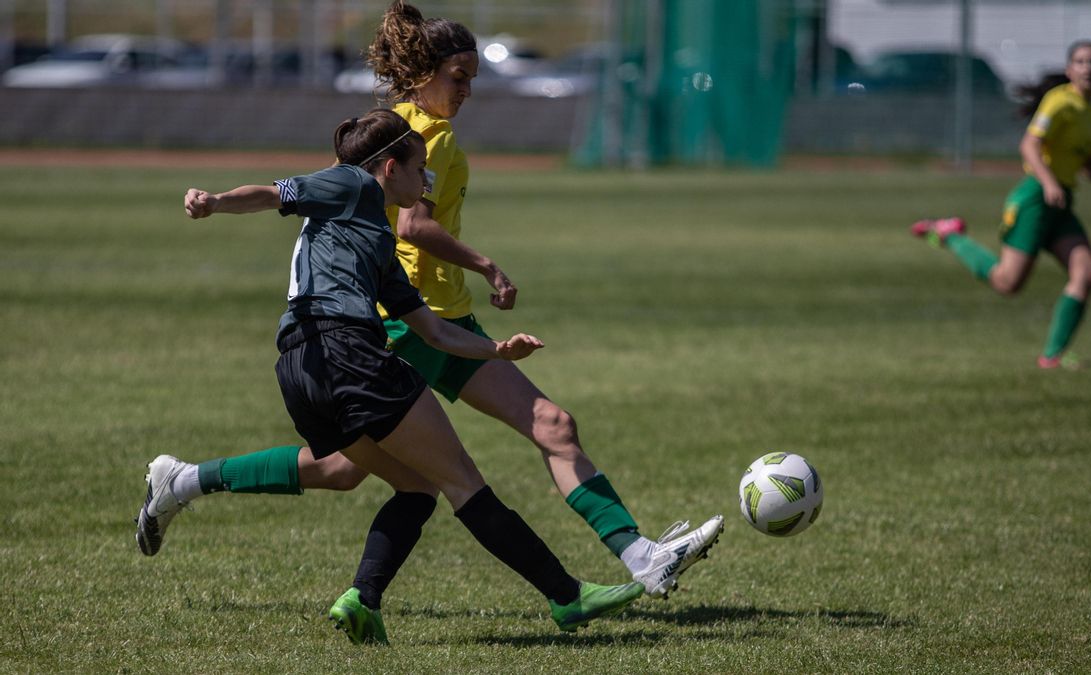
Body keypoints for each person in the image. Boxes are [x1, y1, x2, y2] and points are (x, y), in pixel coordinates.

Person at [136, 0, 722, 609]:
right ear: (423, 73)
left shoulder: (396, 125)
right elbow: (413, 226)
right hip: (408, 328)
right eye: (458, 77)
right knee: (451, 464)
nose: (467, 90)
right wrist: (486, 263)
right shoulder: (422, 137)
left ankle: (185, 481)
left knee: (372, 464)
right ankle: (594, 581)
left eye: (473, 78)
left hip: (432, 316)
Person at [163, 108, 644, 644]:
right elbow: (275, 193)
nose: (426, 180)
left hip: (299, 369)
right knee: (462, 481)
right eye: (420, 169)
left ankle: (362, 599)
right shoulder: (352, 184)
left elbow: (433, 332)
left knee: (416, 488)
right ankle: (566, 595)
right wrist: (215, 202)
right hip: (345, 348)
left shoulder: (378, 242)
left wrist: (497, 351)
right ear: (390, 167)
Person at [910, 40, 1091, 368]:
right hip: (1035, 198)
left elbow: (1087, 165)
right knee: (1007, 283)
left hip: (1061, 202)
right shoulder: (1058, 102)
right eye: (1080, 61)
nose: (1087, 68)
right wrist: (1047, 182)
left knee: (1086, 273)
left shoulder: (1090, 116)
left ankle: (1052, 357)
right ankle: (949, 235)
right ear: (1070, 69)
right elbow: (1029, 145)